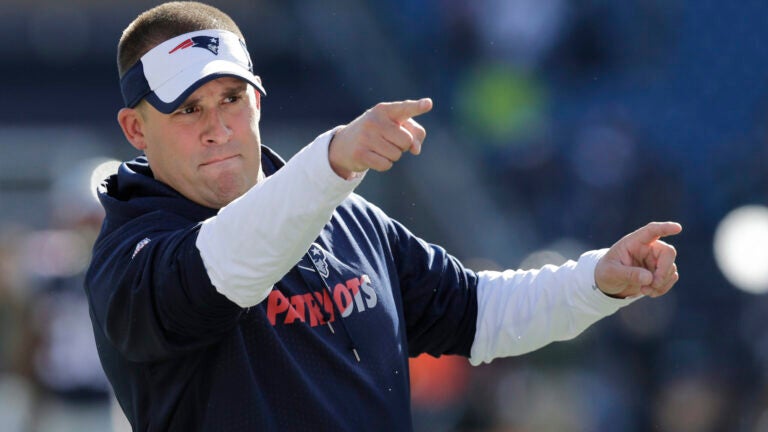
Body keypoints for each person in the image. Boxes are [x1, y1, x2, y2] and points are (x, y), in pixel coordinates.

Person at [84, 2, 682, 431]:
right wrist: (331, 161)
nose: (217, 128)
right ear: (136, 129)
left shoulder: (345, 215)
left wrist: (596, 280)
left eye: (231, 99)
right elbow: (225, 264)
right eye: (188, 109)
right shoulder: (129, 261)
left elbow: (477, 313)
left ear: (258, 100)